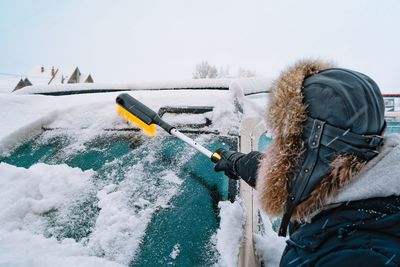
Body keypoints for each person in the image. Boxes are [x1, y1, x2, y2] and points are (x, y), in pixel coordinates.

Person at [214, 60, 400, 266]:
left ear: (316, 151)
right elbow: (296, 177)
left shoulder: (357, 257)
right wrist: (238, 162)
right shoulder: (368, 199)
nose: (278, 155)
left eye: (287, 145)